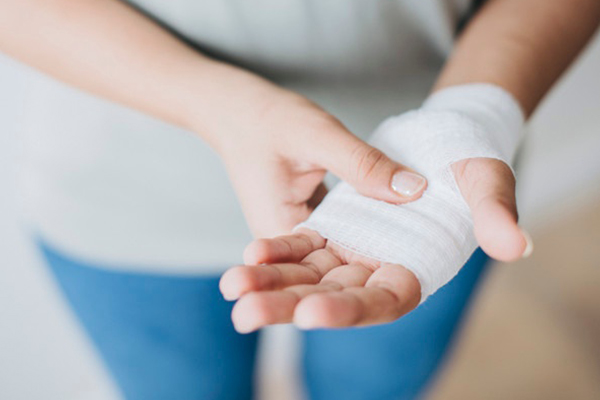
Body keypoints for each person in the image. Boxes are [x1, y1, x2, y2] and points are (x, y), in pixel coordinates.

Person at [1, 0, 599, 399]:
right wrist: (214, 102)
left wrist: (472, 115)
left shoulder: (431, 208)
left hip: (431, 205)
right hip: (122, 194)